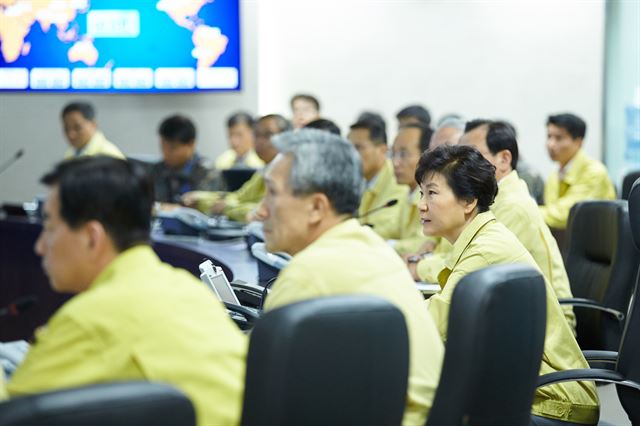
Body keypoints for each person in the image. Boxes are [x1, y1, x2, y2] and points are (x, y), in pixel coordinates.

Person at [3, 156, 246, 426]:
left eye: (48, 228)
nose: (40, 247)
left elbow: (11, 415)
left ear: (92, 237)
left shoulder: (91, 319)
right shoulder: (189, 289)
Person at [256, 129, 444, 425]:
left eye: (272, 193)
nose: (261, 210)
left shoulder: (308, 274)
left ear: (317, 207)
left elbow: (261, 392)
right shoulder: (371, 247)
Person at [417, 145, 599, 425]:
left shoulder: (486, 249)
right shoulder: (482, 236)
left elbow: (435, 323)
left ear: (468, 202)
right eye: (421, 193)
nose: (421, 205)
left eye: (432, 193)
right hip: (522, 387)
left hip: (553, 399)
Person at [460, 120, 576, 331]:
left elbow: (473, 270)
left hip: (545, 330)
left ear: (504, 159)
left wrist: (419, 266)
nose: (460, 169)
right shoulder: (493, 200)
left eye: (473, 157)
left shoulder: (512, 207)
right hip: (516, 315)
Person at [183, 114, 291, 222]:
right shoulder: (265, 170)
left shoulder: (289, 171)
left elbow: (263, 210)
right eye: (257, 135)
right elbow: (239, 197)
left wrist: (227, 208)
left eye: (268, 135)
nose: (260, 141)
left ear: (288, 137)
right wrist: (200, 199)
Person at [541, 113, 616, 229]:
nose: (551, 144)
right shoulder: (554, 176)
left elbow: (566, 215)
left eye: (559, 138)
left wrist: (528, 213)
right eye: (549, 137)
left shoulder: (595, 173)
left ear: (579, 141)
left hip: (595, 244)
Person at [348, 118, 407, 240]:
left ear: (382, 150)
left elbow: (386, 230)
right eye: (349, 148)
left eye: (358, 148)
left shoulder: (397, 180)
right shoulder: (358, 179)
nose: (351, 154)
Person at [149, 114, 219, 204]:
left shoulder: (207, 172)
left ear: (191, 144)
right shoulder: (157, 170)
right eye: (163, 146)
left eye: (172, 148)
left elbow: (207, 208)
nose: (166, 152)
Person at [390, 123, 432, 254]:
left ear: (426, 156)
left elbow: (425, 243)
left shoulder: (434, 196)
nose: (395, 162)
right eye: (393, 154)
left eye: (403, 154)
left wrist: (386, 244)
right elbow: (392, 229)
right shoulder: (407, 193)